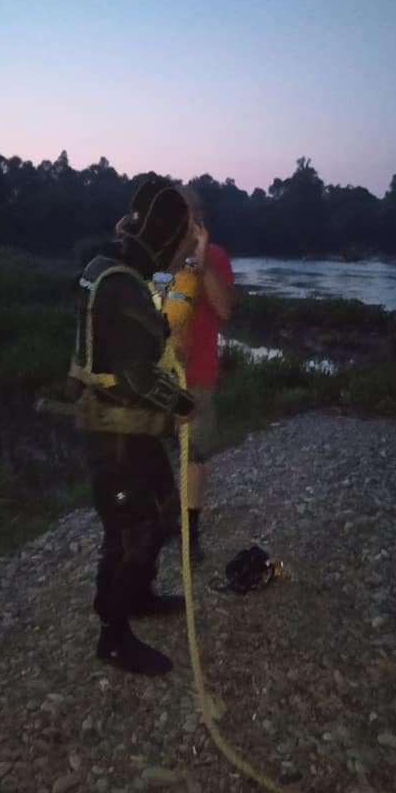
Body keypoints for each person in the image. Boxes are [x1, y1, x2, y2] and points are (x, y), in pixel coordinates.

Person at [67, 177, 204, 676]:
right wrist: (183, 403)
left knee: (163, 511)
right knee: (129, 530)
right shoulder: (123, 283)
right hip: (115, 431)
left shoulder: (107, 268)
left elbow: (134, 334)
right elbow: (136, 373)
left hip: (131, 426)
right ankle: (113, 633)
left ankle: (140, 596)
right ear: (165, 238)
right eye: (180, 239)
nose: (181, 248)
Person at [175, 189, 235, 562]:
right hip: (156, 377)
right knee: (152, 454)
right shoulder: (153, 256)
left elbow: (224, 309)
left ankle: (190, 532)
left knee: (194, 454)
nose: (189, 218)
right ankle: (160, 522)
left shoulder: (214, 257)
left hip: (198, 374)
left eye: (194, 212)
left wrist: (201, 258)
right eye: (181, 212)